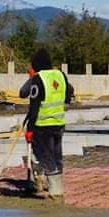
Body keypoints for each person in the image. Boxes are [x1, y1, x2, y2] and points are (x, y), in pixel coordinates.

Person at [20, 49, 74, 200]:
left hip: (42, 124)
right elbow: (69, 92)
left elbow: (34, 105)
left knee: (45, 157)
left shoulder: (38, 79)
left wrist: (30, 129)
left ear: (35, 65)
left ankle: (56, 192)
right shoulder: (60, 75)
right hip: (59, 123)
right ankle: (57, 187)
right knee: (57, 157)